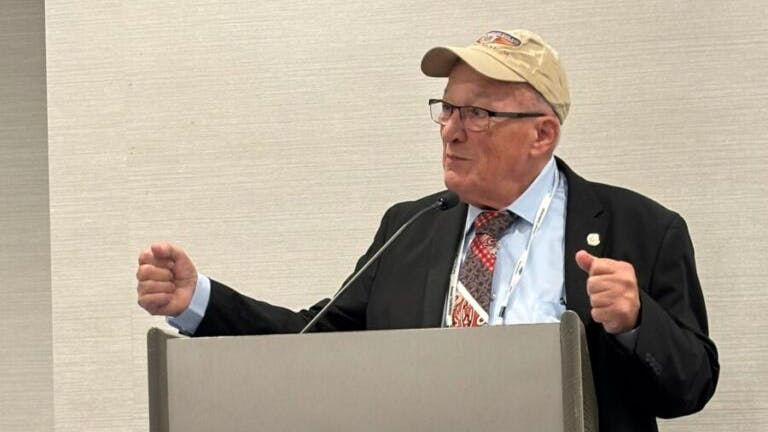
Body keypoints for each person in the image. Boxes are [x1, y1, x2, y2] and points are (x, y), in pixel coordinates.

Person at [136, 29, 719, 431]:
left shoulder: (639, 229)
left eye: (478, 114)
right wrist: (200, 302)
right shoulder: (408, 227)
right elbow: (316, 343)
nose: (451, 131)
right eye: (447, 108)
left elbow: (690, 387)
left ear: (541, 135)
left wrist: (638, 322)